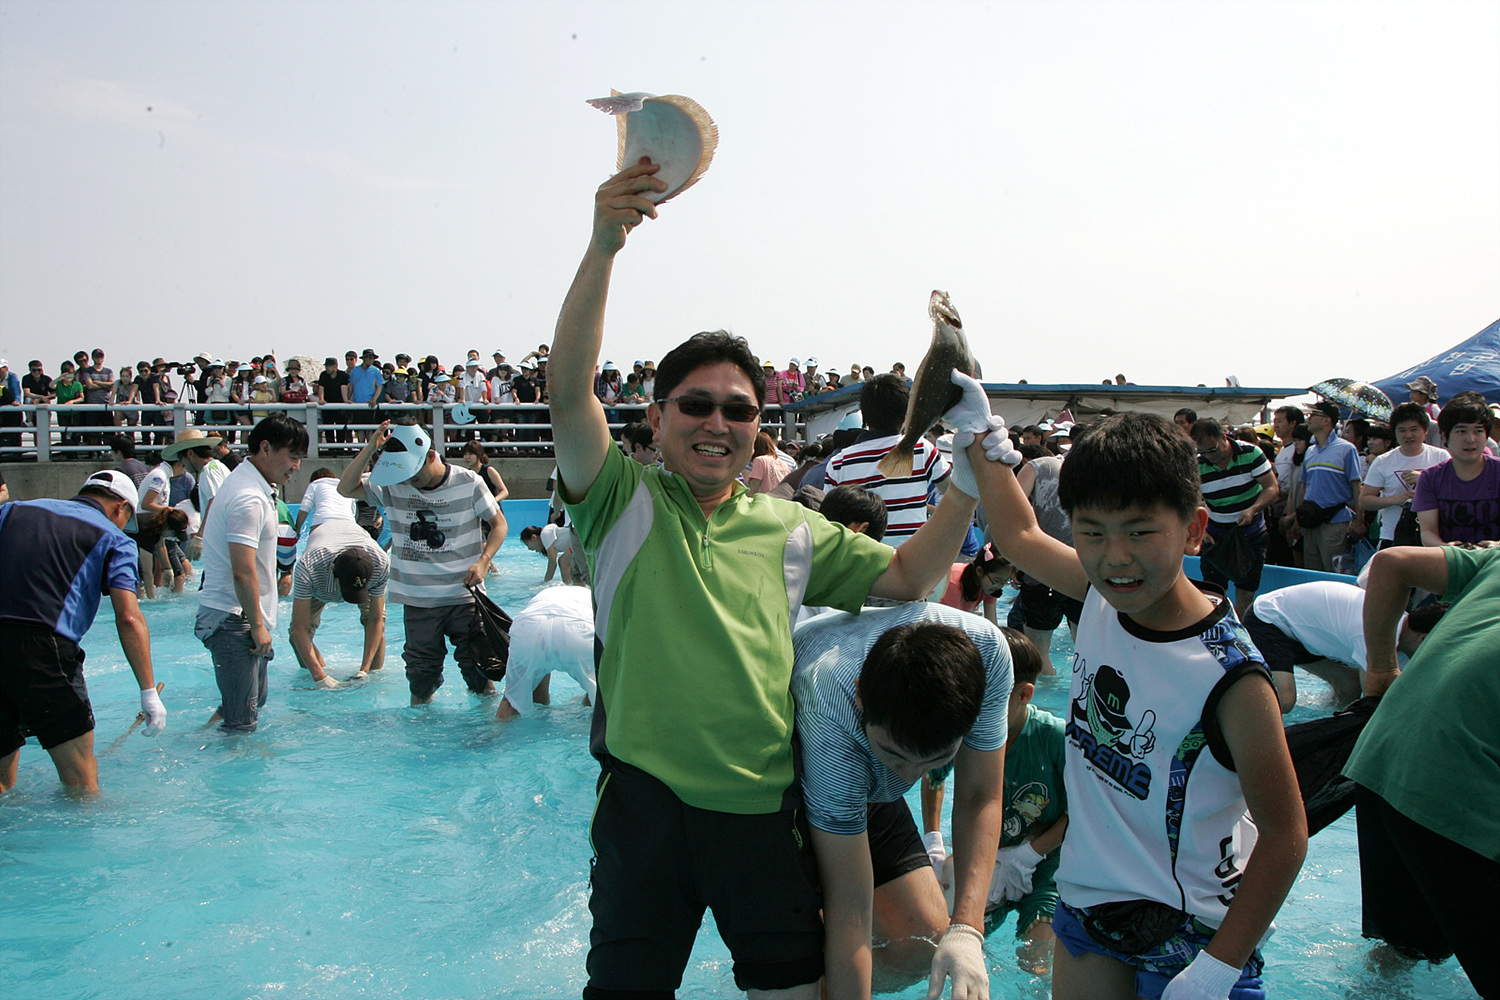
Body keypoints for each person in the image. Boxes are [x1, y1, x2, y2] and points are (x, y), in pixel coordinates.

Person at [552, 160, 983, 1000]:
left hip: (763, 812)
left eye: (739, 410)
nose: (718, 423)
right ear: (656, 416)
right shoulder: (620, 503)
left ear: (759, 426)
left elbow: (904, 580)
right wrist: (605, 242)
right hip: (643, 812)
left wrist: (966, 477)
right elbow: (568, 388)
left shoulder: (789, 526)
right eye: (696, 404)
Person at [964, 396, 1306, 1000]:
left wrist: (1219, 968)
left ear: (1194, 528)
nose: (1115, 557)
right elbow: (1018, 535)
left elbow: (1284, 833)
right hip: (1089, 905)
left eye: (1141, 532)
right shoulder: (1099, 599)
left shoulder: (1232, 678)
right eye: (1092, 533)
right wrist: (978, 431)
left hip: (1195, 932)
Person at [791, 606, 1011, 997]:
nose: (908, 777)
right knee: (805, 966)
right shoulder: (830, 710)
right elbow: (850, 908)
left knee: (921, 945)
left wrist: (967, 930)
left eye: (935, 761)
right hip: (792, 769)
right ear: (861, 696)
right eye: (894, 756)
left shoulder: (988, 655)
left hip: (875, 742)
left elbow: (979, 796)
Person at [1343, 543, 1500, 997]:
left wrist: (1381, 667)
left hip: (1382, 757)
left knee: (1403, 948)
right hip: (1456, 786)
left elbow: (1390, 563)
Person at [0, 470, 166, 794]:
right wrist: (148, 692)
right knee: (82, 783)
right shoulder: (115, 538)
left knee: (2, 783)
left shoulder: (11, 511)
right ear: (121, 508)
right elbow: (129, 617)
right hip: (44, 652)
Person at [924, 628, 1067, 975]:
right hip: (984, 856)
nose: (977, 711)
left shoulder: (1057, 739)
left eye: (989, 699)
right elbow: (933, 777)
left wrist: (1030, 853)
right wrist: (933, 841)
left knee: (1037, 959)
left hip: (1048, 862)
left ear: (1024, 694)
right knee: (937, 945)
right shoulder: (967, 731)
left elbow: (1085, 811)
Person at [337, 419, 507, 705]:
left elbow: (499, 525)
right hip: (418, 601)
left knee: (480, 669)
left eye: (415, 472)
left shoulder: (469, 482)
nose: (410, 479)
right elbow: (345, 488)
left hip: (464, 597)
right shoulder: (392, 485)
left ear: (431, 456)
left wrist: (483, 562)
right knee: (420, 678)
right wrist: (371, 447)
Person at [196, 414, 308, 733]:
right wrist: (257, 625)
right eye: (293, 457)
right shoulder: (248, 497)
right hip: (234, 617)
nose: (296, 466)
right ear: (265, 448)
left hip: (236, 615)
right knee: (242, 722)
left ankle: (203, 738)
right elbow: (242, 570)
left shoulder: (251, 484)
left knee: (251, 702)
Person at [1244, 581, 1444, 713]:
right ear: (1423, 638)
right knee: (1285, 701)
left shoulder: (1401, 633)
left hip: (1306, 630)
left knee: (1349, 687)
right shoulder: (1375, 633)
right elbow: (1372, 699)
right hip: (1270, 619)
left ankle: (1324, 720)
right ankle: (1230, 711)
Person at [824, 372, 952, 545]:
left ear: (865, 415)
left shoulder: (839, 463)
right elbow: (954, 492)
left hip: (863, 561)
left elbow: (829, 521)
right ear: (906, 413)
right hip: (913, 558)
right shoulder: (922, 449)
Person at [289, 513, 389, 689]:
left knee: (376, 622)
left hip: (357, 553)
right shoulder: (309, 567)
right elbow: (299, 629)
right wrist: (321, 677)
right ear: (333, 572)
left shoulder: (380, 564)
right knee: (296, 636)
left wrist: (363, 671)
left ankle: (371, 680)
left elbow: (375, 620)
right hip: (321, 571)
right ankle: (321, 676)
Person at [1192, 417, 1278, 617]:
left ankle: (1241, 628)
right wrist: (1202, 530)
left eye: (1212, 450)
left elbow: (1271, 487)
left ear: (1224, 437)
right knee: (1213, 589)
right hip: (1216, 535)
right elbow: (1191, 502)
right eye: (1203, 452)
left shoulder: (1251, 453)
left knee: (1247, 587)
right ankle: (1218, 626)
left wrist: (1253, 509)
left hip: (1250, 532)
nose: (1209, 456)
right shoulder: (1198, 464)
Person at [494, 584, 596, 721]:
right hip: (578, 626)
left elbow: (544, 655)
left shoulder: (548, 593)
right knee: (600, 695)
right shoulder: (593, 595)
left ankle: (496, 736)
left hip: (531, 626)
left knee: (512, 700)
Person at [1358, 401, 1447, 550]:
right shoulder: (1383, 461)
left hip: (1432, 536)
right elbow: (1364, 501)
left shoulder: (1441, 456)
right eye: (1402, 430)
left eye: (1414, 429)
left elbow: (1452, 491)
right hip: (1392, 535)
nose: (1408, 435)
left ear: (1425, 431)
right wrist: (1395, 500)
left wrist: (1424, 480)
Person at [1414, 395, 1500, 545]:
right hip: (1448, 560)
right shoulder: (1430, 478)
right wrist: (1448, 549)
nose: (1471, 439)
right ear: (1444, 436)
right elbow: (1428, 533)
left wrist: (1496, 547)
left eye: (1478, 431)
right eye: (1461, 431)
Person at [1300, 400, 1363, 572]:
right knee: (1311, 572)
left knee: (1333, 571)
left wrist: (1360, 519)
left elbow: (1357, 486)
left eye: (1313, 414)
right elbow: (1304, 486)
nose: (1309, 418)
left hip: (1335, 522)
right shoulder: (1310, 451)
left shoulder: (1346, 449)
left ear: (1326, 420)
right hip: (1310, 521)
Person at [160, 428, 229, 561]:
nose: (182, 463)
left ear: (190, 453)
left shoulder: (208, 471)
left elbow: (214, 501)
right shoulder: (217, 466)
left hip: (222, 540)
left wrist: (199, 536)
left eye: (181, 457)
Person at [745, 430, 788, 496]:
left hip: (766, 500)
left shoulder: (759, 460)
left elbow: (754, 489)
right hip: (783, 500)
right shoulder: (783, 463)